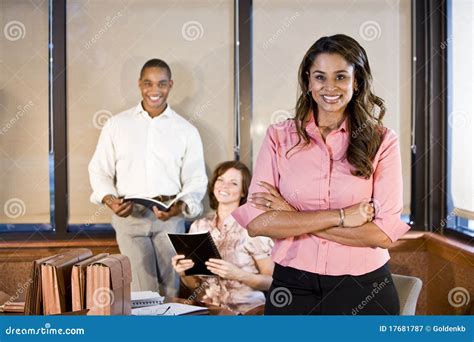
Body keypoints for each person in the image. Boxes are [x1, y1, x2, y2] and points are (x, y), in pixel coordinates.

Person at [232, 34, 410, 315]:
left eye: (341, 77)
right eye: (320, 77)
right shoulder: (279, 137)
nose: (330, 87)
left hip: (364, 290)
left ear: (357, 81)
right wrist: (341, 217)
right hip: (292, 288)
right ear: (308, 81)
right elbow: (257, 223)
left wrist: (290, 214)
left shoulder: (382, 140)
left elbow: (384, 235)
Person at [89, 59, 208, 297]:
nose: (155, 90)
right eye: (148, 83)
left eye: (162, 84)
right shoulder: (116, 125)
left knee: (171, 291)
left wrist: (178, 208)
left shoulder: (186, 131)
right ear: (139, 85)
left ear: (170, 85)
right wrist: (110, 200)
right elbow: (99, 170)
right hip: (129, 218)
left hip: (169, 218)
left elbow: (196, 179)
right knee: (143, 294)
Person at [171, 161, 274, 314]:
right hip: (207, 310)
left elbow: (272, 282)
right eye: (220, 180)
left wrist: (237, 274)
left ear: (243, 191)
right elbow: (194, 285)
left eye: (233, 183)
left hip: (246, 312)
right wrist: (183, 273)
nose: (224, 186)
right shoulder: (199, 227)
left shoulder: (252, 229)